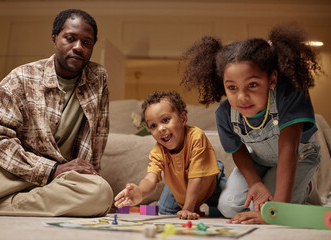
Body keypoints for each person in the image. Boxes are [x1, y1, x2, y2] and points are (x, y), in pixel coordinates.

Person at [0, 9, 113, 217]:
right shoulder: (22, 76)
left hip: (58, 179)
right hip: (9, 168)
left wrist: (89, 175)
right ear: (55, 39)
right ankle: (19, 200)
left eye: (87, 42)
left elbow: (97, 138)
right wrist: (48, 169)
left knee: (100, 193)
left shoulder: (98, 78)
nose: (78, 47)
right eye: (70, 39)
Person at [179, 23, 322, 224]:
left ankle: (305, 188)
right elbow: (238, 150)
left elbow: (289, 151)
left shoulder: (289, 95)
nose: (242, 97)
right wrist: (255, 183)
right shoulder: (224, 114)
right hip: (261, 160)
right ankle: (276, 187)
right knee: (229, 207)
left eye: (252, 85)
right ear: (223, 85)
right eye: (232, 88)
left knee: (273, 207)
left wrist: (276, 213)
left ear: (272, 79)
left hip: (299, 156)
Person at [114, 91, 226, 220]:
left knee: (227, 209)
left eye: (165, 120)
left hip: (209, 182)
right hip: (179, 181)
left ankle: (205, 205)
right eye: (153, 126)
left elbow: (196, 178)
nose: (160, 129)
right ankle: (186, 199)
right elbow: (150, 179)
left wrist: (188, 209)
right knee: (165, 210)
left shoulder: (196, 137)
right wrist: (140, 192)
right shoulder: (158, 151)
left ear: (183, 119)